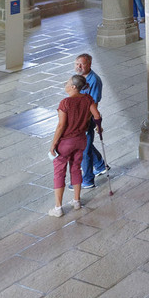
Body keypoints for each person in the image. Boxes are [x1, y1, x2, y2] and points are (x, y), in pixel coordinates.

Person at [48, 73, 101, 216]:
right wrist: (99, 127)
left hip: (66, 141)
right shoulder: (88, 99)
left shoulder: (65, 103)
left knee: (59, 172)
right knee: (76, 169)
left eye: (67, 83)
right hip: (81, 140)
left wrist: (53, 144)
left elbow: (61, 126)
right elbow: (97, 115)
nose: (65, 85)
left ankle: (58, 208)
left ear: (73, 87)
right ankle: (76, 201)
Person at [76, 53, 110, 188]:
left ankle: (87, 179)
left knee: (84, 149)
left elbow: (93, 103)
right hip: (79, 116)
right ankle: (100, 165)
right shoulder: (78, 78)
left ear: (89, 65)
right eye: (76, 64)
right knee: (86, 144)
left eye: (82, 64)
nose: (78, 66)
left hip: (86, 118)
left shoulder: (94, 80)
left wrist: (96, 122)